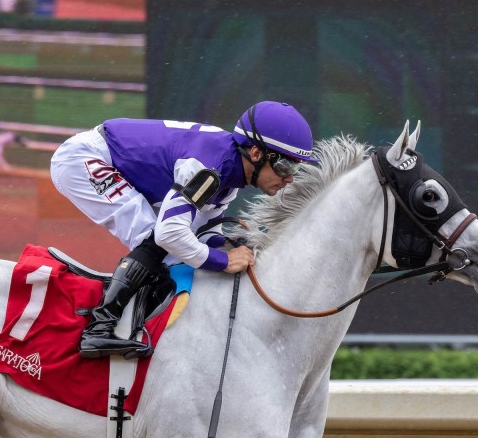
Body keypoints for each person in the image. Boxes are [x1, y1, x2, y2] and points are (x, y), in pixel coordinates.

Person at [50, 101, 318, 358]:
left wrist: (233, 244)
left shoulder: (230, 176)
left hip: (104, 153)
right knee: (152, 237)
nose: (290, 177)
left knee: (171, 248)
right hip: (84, 159)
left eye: (296, 167)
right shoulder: (208, 167)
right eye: (285, 165)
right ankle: (99, 328)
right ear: (256, 154)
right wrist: (223, 261)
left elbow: (199, 234)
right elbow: (170, 235)